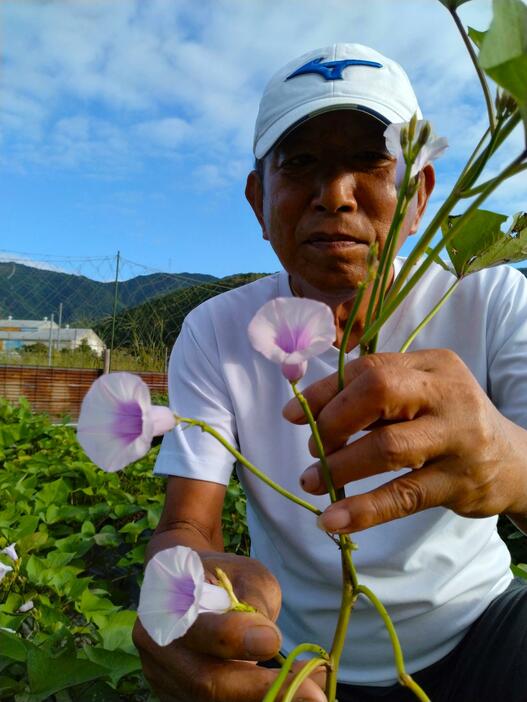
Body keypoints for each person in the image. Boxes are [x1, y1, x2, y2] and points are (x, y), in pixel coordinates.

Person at [133, 44, 527, 702]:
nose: (335, 195)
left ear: (419, 192)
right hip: (295, 658)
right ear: (259, 199)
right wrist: (187, 585)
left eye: (369, 163)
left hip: (481, 629)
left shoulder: (490, 296)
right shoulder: (216, 329)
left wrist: (508, 462)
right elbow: (186, 524)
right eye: (302, 164)